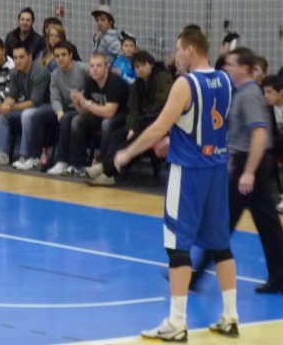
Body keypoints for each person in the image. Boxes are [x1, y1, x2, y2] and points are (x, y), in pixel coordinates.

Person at [114, 27, 239, 341]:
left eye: (178, 49)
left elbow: (159, 126)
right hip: (216, 169)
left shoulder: (186, 83)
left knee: (177, 246)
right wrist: (177, 140)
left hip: (189, 173)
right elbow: (209, 125)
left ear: (191, 50)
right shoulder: (225, 80)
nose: (175, 55)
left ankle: (177, 322)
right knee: (220, 245)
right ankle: (230, 316)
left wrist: (128, 152)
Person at [188, 49, 283, 294]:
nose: (226, 68)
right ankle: (279, 277)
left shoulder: (249, 95)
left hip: (250, 164)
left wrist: (248, 171)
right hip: (246, 162)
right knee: (267, 224)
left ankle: (194, 275)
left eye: (230, 64)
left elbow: (259, 134)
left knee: (223, 222)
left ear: (244, 68)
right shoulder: (243, 93)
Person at [85, 50, 173, 187]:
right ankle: (108, 171)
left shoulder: (162, 78)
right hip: (142, 123)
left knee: (134, 139)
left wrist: (137, 126)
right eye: (137, 67)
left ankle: (107, 170)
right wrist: (132, 127)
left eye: (143, 65)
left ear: (151, 64)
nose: (140, 69)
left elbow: (160, 106)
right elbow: (133, 110)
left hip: (160, 124)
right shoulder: (137, 84)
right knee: (117, 135)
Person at [49, 54, 128, 178]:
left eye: (98, 66)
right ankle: (78, 164)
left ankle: (103, 165)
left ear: (106, 67)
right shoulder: (91, 82)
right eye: (92, 66)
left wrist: (87, 103)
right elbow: (84, 111)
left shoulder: (115, 82)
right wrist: (77, 101)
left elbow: (109, 112)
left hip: (123, 115)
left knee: (106, 123)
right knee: (77, 120)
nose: (94, 69)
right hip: (101, 113)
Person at [0, 45, 51, 170]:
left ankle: (28, 156)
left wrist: (10, 108)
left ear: (30, 57)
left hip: (48, 106)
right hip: (30, 106)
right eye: (15, 58)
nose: (18, 61)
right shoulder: (14, 72)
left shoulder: (40, 72)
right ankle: (1, 154)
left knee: (27, 114)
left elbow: (34, 102)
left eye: (21, 57)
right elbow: (12, 96)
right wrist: (4, 106)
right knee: (0, 112)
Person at [28, 41, 87, 170]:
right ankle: (36, 157)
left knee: (66, 119)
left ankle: (62, 161)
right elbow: (55, 98)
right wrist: (59, 111)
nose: (60, 58)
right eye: (57, 56)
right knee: (39, 115)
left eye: (63, 55)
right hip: (66, 108)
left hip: (83, 109)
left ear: (70, 55)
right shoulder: (54, 75)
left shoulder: (84, 69)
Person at [263, 76, 283, 214]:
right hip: (274, 147)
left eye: (269, 92)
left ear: (280, 92)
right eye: (264, 92)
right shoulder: (266, 110)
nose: (265, 96)